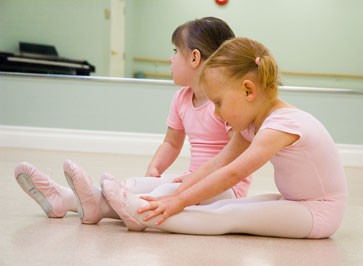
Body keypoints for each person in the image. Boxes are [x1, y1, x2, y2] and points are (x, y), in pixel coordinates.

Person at [101, 37, 347, 239]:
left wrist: (180, 201)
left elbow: (233, 173)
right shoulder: (252, 125)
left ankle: (142, 215)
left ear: (248, 90)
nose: (217, 112)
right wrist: (178, 192)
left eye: (219, 102)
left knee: (229, 214)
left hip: (318, 211)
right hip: (293, 201)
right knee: (218, 206)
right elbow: (218, 163)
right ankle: (125, 207)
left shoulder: (282, 125)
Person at [14, 17, 252, 224]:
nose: (170, 59)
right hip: (192, 180)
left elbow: (237, 152)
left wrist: (192, 180)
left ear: (194, 58)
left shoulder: (224, 103)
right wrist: (156, 167)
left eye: (174, 51)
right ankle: (65, 200)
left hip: (226, 190)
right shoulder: (181, 99)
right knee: (135, 185)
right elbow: (171, 142)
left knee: (164, 191)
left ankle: (73, 200)